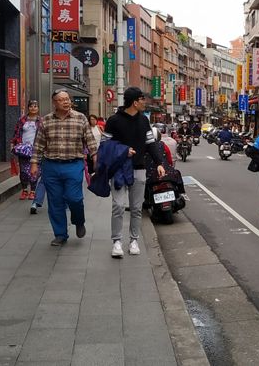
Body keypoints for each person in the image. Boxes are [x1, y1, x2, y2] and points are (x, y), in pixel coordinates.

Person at [30, 90, 98, 246]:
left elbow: (90, 141)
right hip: (51, 166)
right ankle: (60, 234)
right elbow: (38, 144)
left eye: (67, 99)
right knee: (55, 202)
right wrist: (34, 163)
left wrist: (95, 158)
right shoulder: (46, 120)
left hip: (73, 164)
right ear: (54, 103)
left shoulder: (80, 118)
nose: (66, 102)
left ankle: (78, 221)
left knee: (75, 198)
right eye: (61, 100)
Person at [104, 87, 166, 258]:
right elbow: (105, 145)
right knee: (117, 206)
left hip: (139, 168)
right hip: (118, 170)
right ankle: (116, 241)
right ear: (134, 102)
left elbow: (150, 143)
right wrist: (124, 151)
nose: (144, 102)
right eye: (142, 99)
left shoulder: (144, 121)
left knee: (137, 208)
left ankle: (133, 240)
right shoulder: (114, 121)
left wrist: (159, 163)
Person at [11, 100, 42, 204]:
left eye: (35, 106)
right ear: (28, 108)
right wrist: (13, 144)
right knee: (24, 171)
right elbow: (16, 133)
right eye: (31, 106)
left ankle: (33, 191)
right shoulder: (22, 120)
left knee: (34, 171)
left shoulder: (41, 121)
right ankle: (24, 190)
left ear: (38, 108)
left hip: (36, 149)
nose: (33, 108)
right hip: (23, 149)